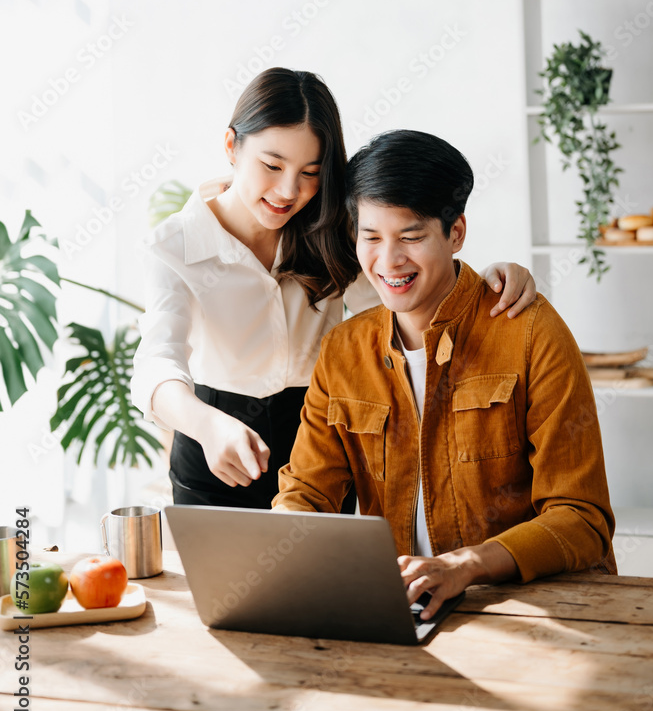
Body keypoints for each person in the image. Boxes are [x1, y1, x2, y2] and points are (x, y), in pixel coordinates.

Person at [131, 69, 538, 509]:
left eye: (310, 172)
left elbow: (401, 297)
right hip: (218, 444)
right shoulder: (176, 247)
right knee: (226, 578)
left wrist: (485, 280)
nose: (289, 191)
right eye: (272, 165)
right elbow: (156, 363)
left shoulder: (331, 226)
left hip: (320, 440)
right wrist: (209, 426)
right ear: (232, 146)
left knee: (324, 576)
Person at [273, 129, 616, 619]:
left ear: (455, 233)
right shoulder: (343, 351)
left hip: (531, 610)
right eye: (371, 237)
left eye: (411, 237)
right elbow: (307, 491)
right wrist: (280, 538)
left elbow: (582, 518)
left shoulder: (531, 331)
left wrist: (465, 565)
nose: (389, 261)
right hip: (405, 610)